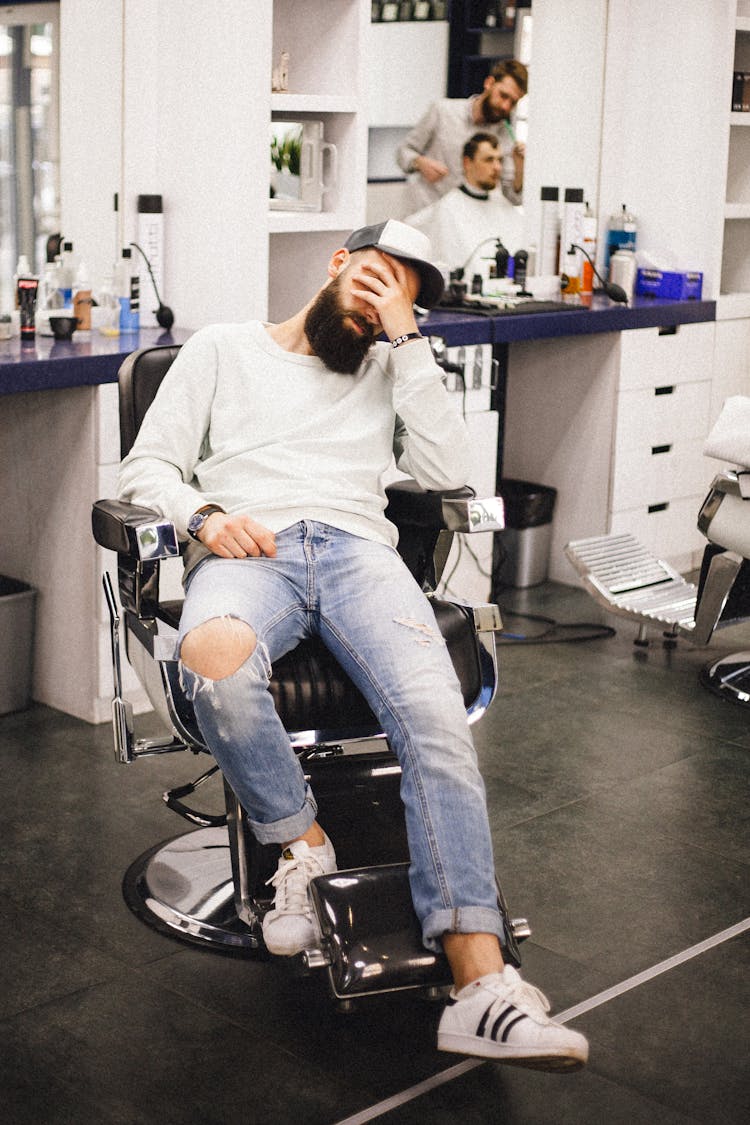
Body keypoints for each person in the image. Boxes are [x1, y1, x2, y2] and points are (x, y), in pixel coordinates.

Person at [117, 219, 588, 1071]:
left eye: (398, 299)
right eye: (373, 280)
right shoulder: (224, 348)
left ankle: (480, 985)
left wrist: (409, 345)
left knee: (435, 716)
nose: (378, 305)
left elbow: (447, 473)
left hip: (359, 552)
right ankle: (302, 845)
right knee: (216, 662)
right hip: (249, 547)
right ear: (338, 262)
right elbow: (146, 468)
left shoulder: (388, 365)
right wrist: (206, 517)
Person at [396, 59, 527, 212]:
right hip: (426, 216)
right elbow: (402, 152)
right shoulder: (442, 111)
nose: (506, 106)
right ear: (489, 83)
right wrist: (419, 162)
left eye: (513, 102)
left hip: (465, 223)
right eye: (503, 96)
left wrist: (520, 168)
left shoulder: (504, 137)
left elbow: (513, 197)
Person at [406, 132, 525, 286]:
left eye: (500, 160)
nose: (497, 167)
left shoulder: (502, 204)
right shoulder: (448, 208)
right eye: (489, 160)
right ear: (467, 163)